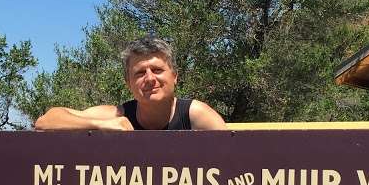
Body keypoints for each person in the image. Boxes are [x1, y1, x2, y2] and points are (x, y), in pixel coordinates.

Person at [34, 36, 226, 131]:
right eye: (140, 73)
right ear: (128, 83)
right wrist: (101, 125)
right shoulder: (118, 115)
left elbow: (233, 160)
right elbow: (46, 121)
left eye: (157, 70)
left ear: (175, 76)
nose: (150, 78)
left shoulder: (196, 116)